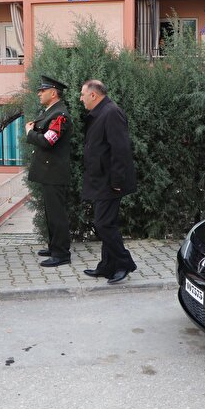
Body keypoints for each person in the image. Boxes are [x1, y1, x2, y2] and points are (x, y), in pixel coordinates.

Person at [79, 80, 137, 284]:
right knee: (107, 223)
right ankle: (107, 266)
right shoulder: (100, 113)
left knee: (103, 224)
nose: (80, 98)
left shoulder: (111, 112)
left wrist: (117, 181)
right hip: (102, 179)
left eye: (83, 94)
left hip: (111, 181)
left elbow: (120, 149)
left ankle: (124, 263)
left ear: (93, 95)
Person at [25, 76, 73, 267]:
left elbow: (48, 141)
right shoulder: (51, 111)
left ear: (53, 93)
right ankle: (54, 246)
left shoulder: (60, 115)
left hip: (54, 172)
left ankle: (62, 254)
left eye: (42, 90)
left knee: (57, 214)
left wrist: (30, 132)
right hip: (49, 171)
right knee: (51, 213)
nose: (39, 93)